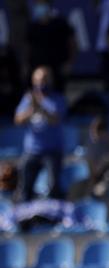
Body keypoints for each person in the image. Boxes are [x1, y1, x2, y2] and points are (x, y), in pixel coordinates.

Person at [14, 66, 67, 202]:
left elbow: (56, 119)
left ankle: (53, 217)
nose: (40, 84)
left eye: (44, 80)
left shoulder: (57, 99)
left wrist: (41, 106)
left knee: (53, 186)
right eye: (37, 80)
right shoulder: (28, 99)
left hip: (52, 152)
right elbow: (18, 119)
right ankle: (25, 217)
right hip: (32, 151)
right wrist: (30, 110)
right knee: (24, 187)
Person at [71, 116, 109, 200]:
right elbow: (94, 170)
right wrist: (103, 163)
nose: (96, 137)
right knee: (76, 189)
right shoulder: (93, 143)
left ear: (105, 132)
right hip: (100, 176)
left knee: (101, 189)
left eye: (98, 134)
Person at [25, 0, 76, 90]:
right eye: (37, 4)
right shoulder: (33, 26)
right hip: (36, 68)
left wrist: (69, 63)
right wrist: (26, 65)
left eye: (42, 4)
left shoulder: (60, 23)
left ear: (48, 5)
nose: (39, 7)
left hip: (56, 70)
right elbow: (28, 48)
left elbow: (72, 44)